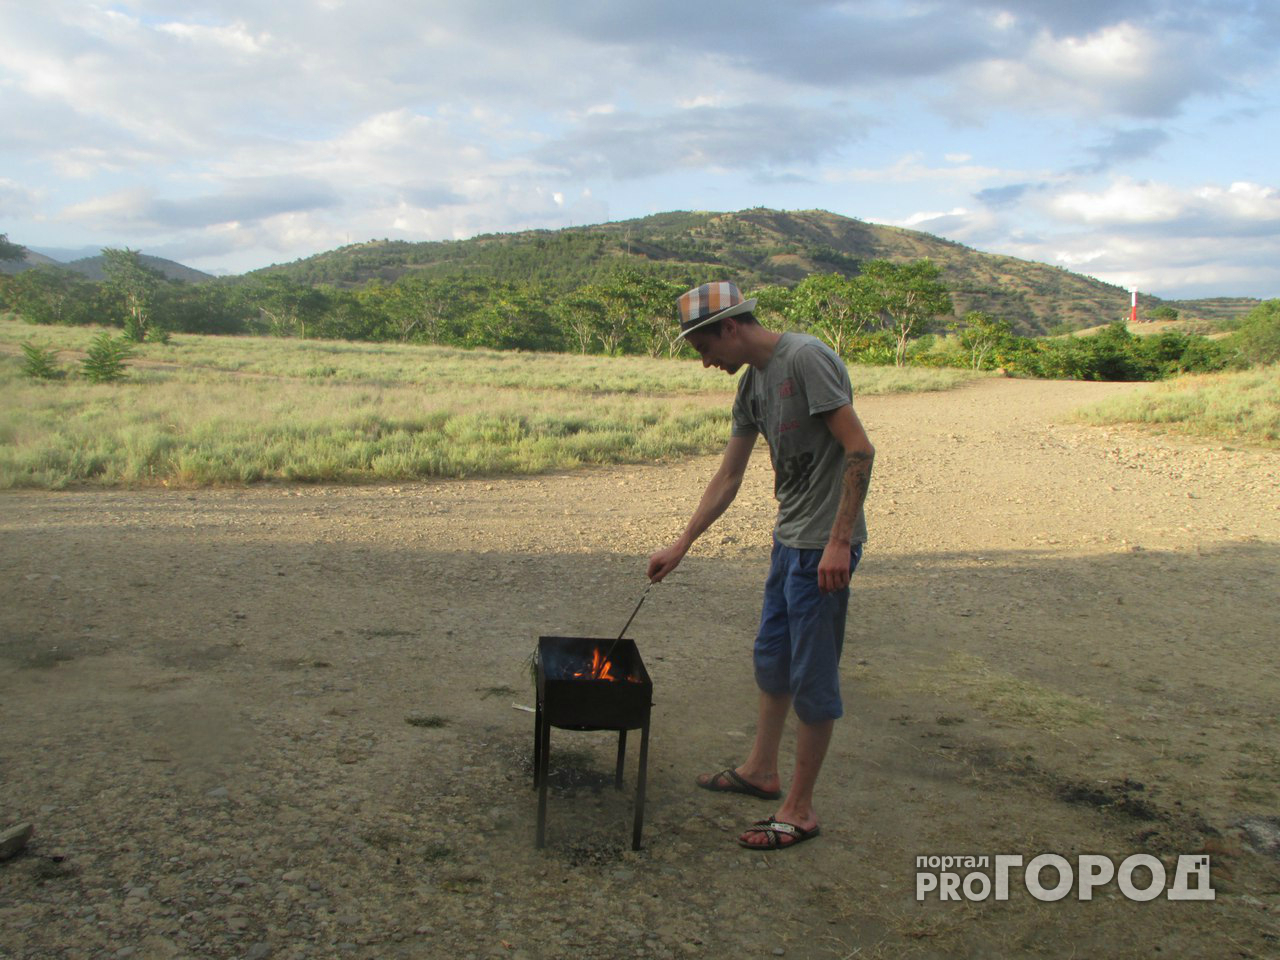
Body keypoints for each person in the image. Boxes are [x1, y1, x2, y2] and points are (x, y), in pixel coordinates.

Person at [647, 281, 874, 851]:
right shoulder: (752, 386)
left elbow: (860, 449)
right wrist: (682, 543)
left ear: (730, 327)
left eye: (705, 348)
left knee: (812, 675)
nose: (705, 363)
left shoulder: (807, 359)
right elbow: (729, 476)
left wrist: (840, 541)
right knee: (772, 659)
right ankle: (761, 771)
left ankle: (800, 809)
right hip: (788, 539)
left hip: (822, 546)